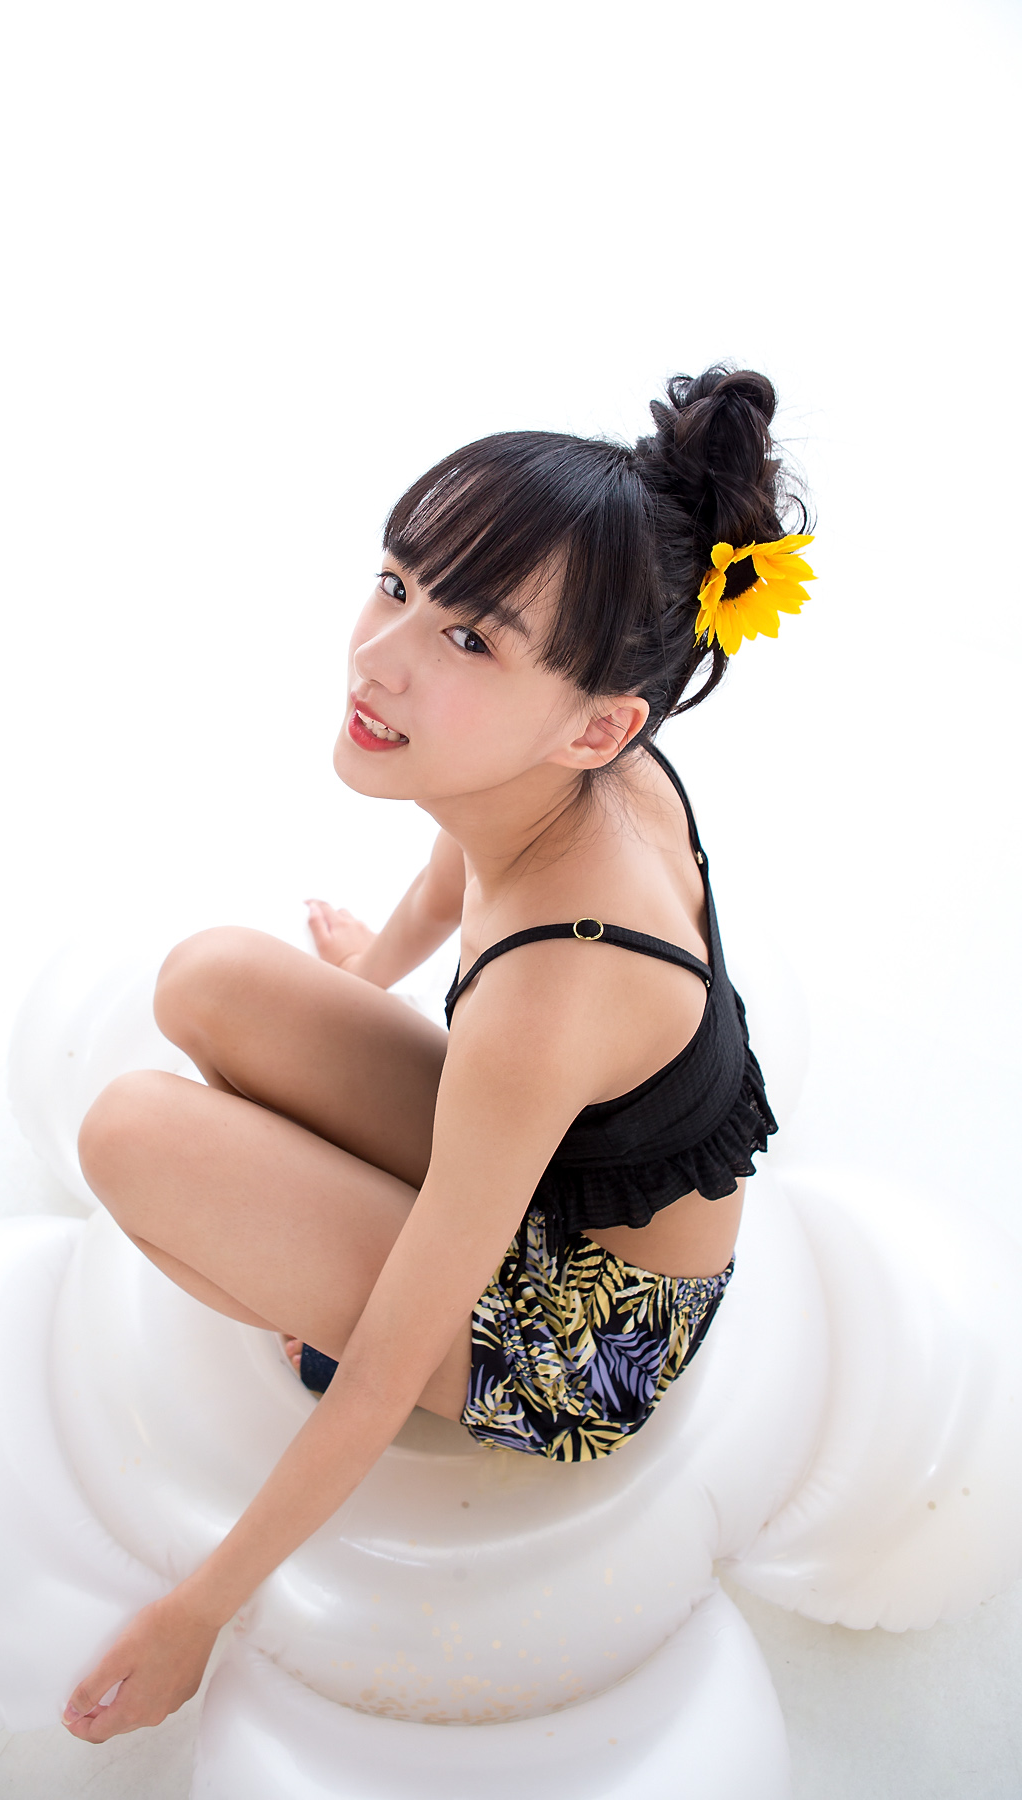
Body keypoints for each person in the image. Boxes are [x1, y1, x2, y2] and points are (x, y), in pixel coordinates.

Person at [61, 365, 814, 1742]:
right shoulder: (581, 772)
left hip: (585, 1338)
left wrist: (199, 1612)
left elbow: (401, 1337)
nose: (381, 656)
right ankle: (320, 1226)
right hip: (559, 1173)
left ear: (597, 723)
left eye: (470, 639)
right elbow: (460, 858)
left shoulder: (548, 996)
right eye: (397, 584)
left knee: (131, 1136)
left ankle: (345, 1333)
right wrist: (360, 987)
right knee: (211, 982)